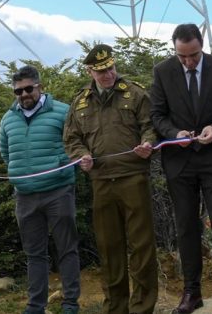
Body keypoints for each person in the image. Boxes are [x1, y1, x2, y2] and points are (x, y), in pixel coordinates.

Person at [149, 24, 212, 314]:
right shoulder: (162, 71)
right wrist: (174, 133)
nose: (188, 62)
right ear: (175, 50)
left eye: (193, 55)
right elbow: (157, 114)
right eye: (182, 57)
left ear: (201, 46)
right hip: (179, 161)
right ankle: (192, 293)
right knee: (186, 227)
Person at [63, 44, 159, 314]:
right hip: (101, 182)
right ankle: (116, 307)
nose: (107, 74)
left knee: (142, 246)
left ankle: (142, 307)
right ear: (90, 71)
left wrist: (147, 143)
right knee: (109, 248)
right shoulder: (80, 102)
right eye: (101, 71)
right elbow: (71, 137)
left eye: (110, 68)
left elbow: (151, 126)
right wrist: (81, 155)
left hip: (133, 177)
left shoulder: (135, 93)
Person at [0, 65, 81, 314]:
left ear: (39, 86)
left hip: (58, 192)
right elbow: (5, 153)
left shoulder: (63, 112)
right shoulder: (8, 119)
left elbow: (76, 147)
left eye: (28, 89)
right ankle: (35, 306)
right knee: (34, 254)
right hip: (24, 196)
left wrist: (63, 169)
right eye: (18, 91)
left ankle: (70, 304)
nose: (24, 94)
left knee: (66, 249)